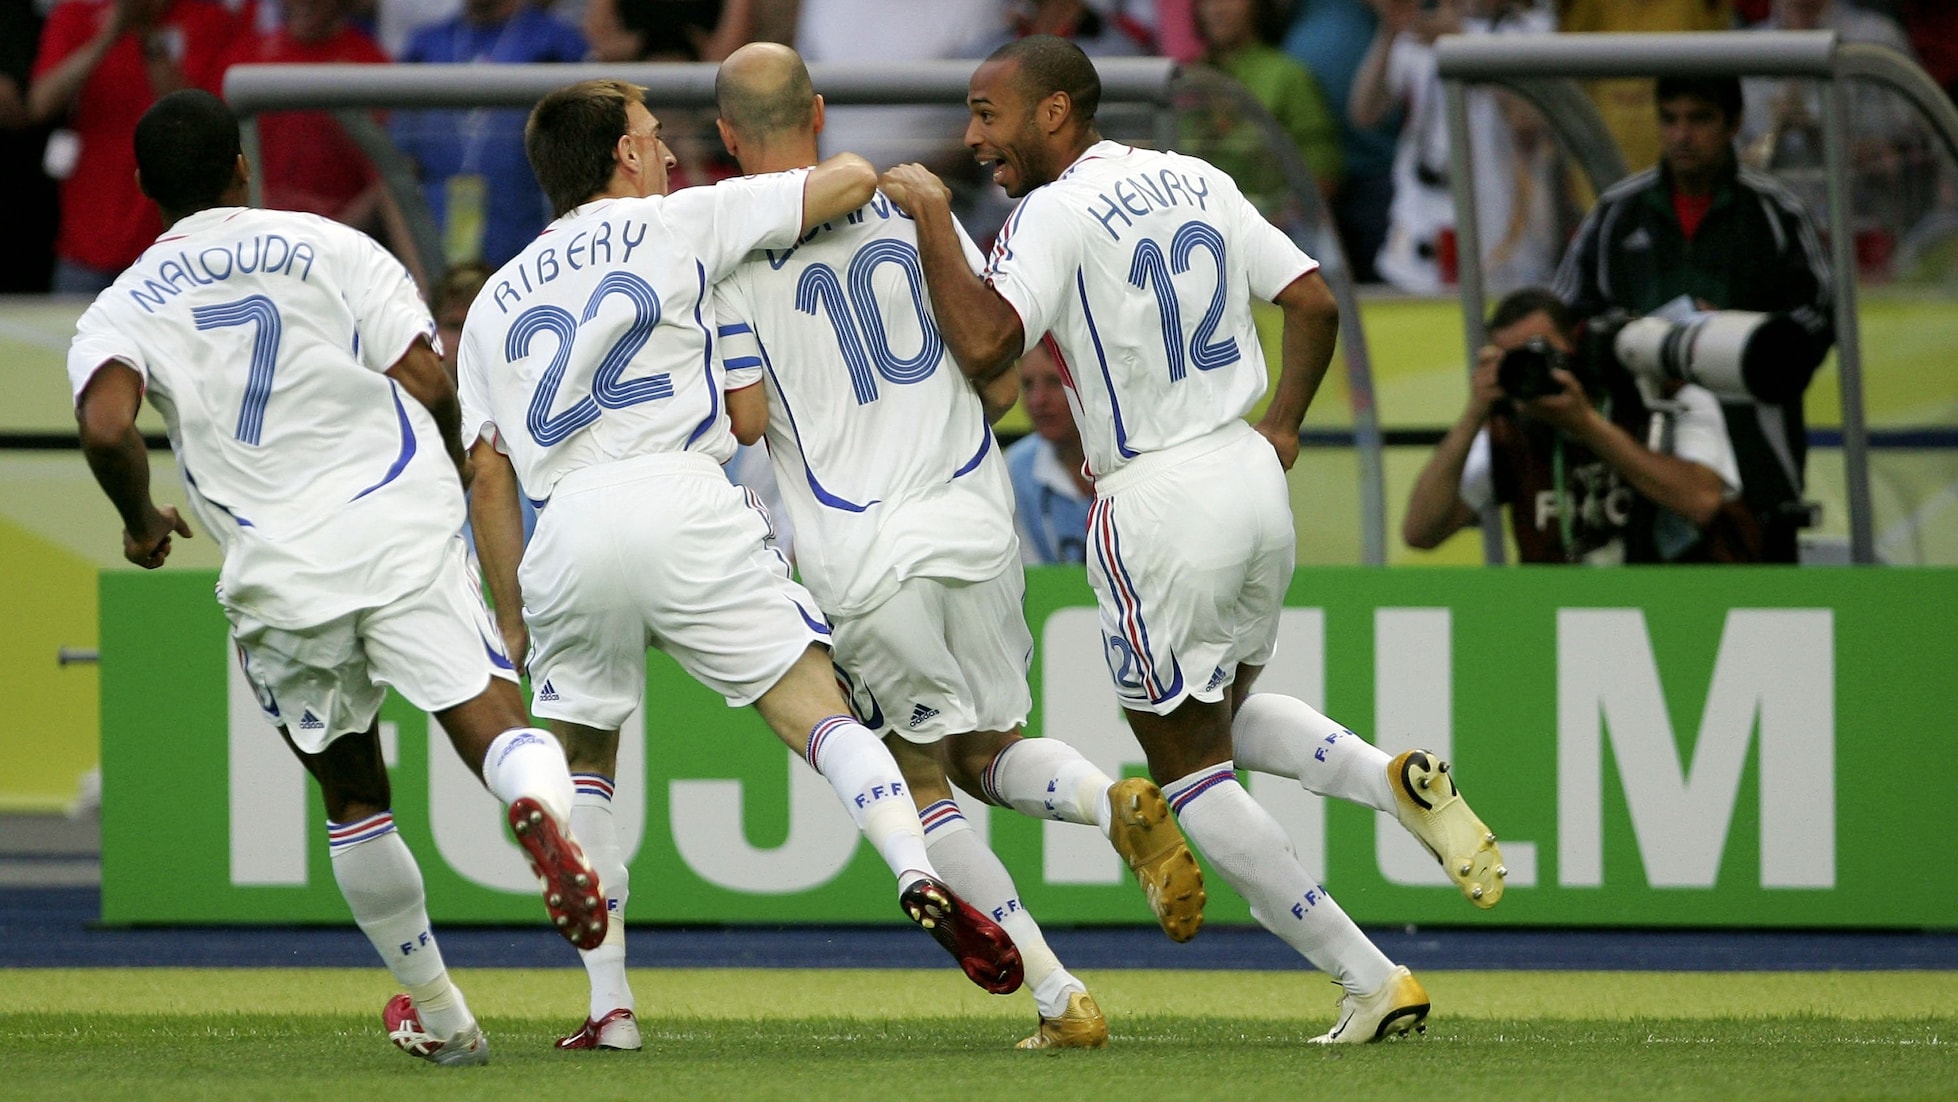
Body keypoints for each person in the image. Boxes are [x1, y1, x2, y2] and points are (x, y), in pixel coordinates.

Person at [879, 35, 1507, 1044]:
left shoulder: (1050, 213)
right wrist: (1284, 425)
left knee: (1187, 773)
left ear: (1053, 112)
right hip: (1249, 475)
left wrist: (930, 222)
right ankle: (1385, 777)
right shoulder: (1195, 177)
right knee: (1225, 710)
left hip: (1157, 496)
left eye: (988, 114)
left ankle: (1370, 978)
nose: (973, 136)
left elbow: (991, 343)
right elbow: (1310, 299)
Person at [456, 78, 1025, 1052]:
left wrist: (510, 615)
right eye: (653, 137)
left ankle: (610, 1007)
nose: (671, 153)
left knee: (586, 759)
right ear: (623, 157)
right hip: (682, 496)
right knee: (820, 713)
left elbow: (486, 475)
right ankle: (912, 867)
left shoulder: (492, 301)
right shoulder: (681, 221)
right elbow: (847, 180)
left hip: (570, 524)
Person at [66, 89, 607, 1067]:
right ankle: (537, 806)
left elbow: (106, 428)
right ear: (241, 167)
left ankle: (443, 1015)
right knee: (489, 718)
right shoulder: (333, 247)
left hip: (280, 567)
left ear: (144, 186)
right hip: (398, 523)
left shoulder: (123, 305)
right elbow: (429, 377)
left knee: (354, 795)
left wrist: (141, 522)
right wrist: (453, 462)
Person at [709, 42, 1204, 1050]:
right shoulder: (910, 209)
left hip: (863, 549)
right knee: (987, 749)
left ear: (724, 136)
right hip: (975, 521)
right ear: (818, 110)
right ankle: (1105, 796)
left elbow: (746, 421)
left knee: (916, 778)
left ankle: (1059, 995)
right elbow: (998, 374)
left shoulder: (723, 254)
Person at [1554, 75, 1833, 563]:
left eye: (1699, 119)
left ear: (1734, 124)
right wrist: (1628, 348)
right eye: (1670, 120)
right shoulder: (1617, 213)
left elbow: (1819, 320)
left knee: (1764, 602)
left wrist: (1737, 341)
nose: (1682, 135)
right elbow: (1566, 322)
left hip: (1756, 470)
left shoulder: (1775, 213)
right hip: (1639, 466)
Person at [1402, 287, 1757, 562]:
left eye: (1542, 351)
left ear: (1575, 344)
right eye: (1515, 360)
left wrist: (1587, 425)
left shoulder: (1662, 398)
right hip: (1561, 613)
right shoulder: (1510, 430)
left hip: (1666, 604)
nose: (1533, 369)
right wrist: (1474, 413)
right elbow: (1420, 531)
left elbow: (1700, 500)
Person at [29, 0, 240, 293]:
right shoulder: (77, 13)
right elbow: (40, 103)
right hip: (88, 243)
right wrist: (109, 35)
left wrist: (149, 38)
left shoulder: (207, 18)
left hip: (175, 245)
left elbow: (200, 122)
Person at [1349, 0, 1557, 293]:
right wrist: (1390, 30)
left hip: (1504, 244)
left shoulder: (1535, 29)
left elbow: (1527, 121)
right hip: (1418, 236)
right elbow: (1365, 113)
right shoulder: (1423, 28)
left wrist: (1462, 44)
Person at [393, 0, 585, 269]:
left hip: (530, 258)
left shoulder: (556, 45)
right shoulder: (425, 46)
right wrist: (417, 271)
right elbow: (397, 175)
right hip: (435, 260)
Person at [1189, 0, 1342, 213]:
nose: (1217, 8)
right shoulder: (1186, 79)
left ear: (1258, 6)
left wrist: (1276, 224)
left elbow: (1323, 171)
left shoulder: (1288, 76)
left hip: (1268, 223)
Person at [1005, 341, 1093, 563]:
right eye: (1027, 385)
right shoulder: (1016, 467)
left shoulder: (1132, 458)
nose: (1038, 400)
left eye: (1055, 382)